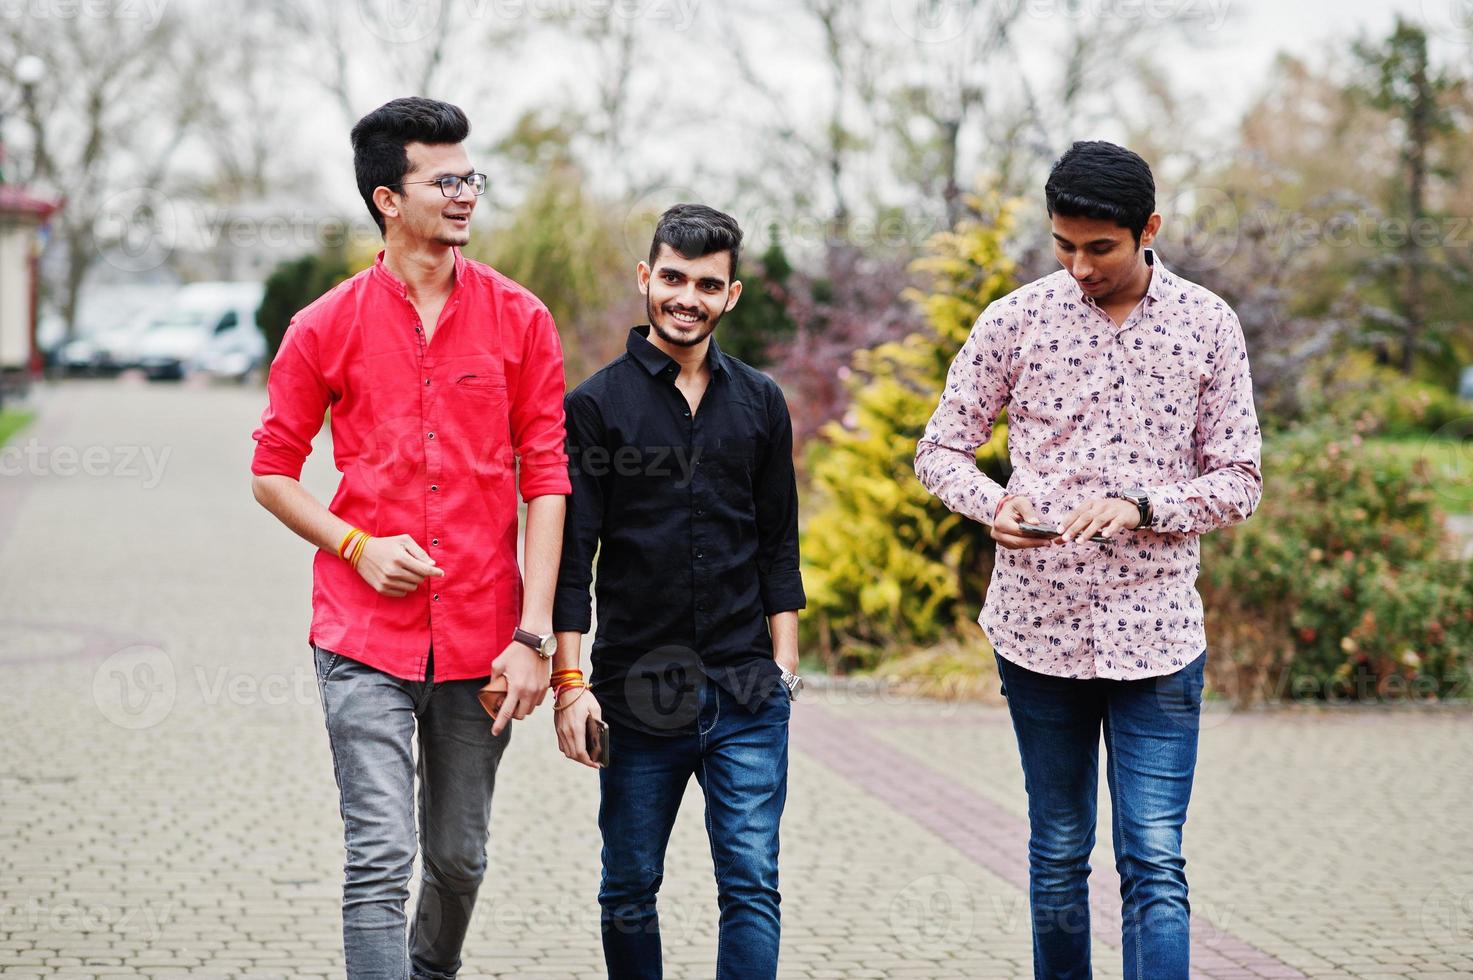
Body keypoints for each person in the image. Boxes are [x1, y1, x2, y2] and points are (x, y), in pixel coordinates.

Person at [915, 140, 1263, 980]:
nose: (1077, 267)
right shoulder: (1012, 319)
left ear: (1146, 229)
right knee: (1058, 848)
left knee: (1151, 859)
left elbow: (1240, 480)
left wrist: (1147, 506)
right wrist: (993, 502)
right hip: (1036, 631)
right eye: (1062, 245)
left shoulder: (1207, 324)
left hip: (1159, 639)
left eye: (1098, 248)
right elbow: (939, 451)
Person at [249, 97, 569, 979]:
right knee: (378, 860)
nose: (466, 194)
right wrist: (357, 545)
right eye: (446, 179)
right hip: (362, 638)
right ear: (389, 199)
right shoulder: (324, 325)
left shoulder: (521, 319)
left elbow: (546, 479)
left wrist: (533, 635)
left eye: (471, 177)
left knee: (460, 858)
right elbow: (271, 470)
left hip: (484, 644)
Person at [551, 204, 806, 980]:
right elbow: (573, 556)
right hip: (637, 694)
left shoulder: (760, 401)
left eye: (706, 283)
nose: (685, 296)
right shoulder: (596, 407)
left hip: (745, 693)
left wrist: (784, 669)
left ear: (730, 295)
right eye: (672, 278)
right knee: (628, 888)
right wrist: (570, 683)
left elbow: (778, 543)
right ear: (645, 279)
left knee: (752, 887)